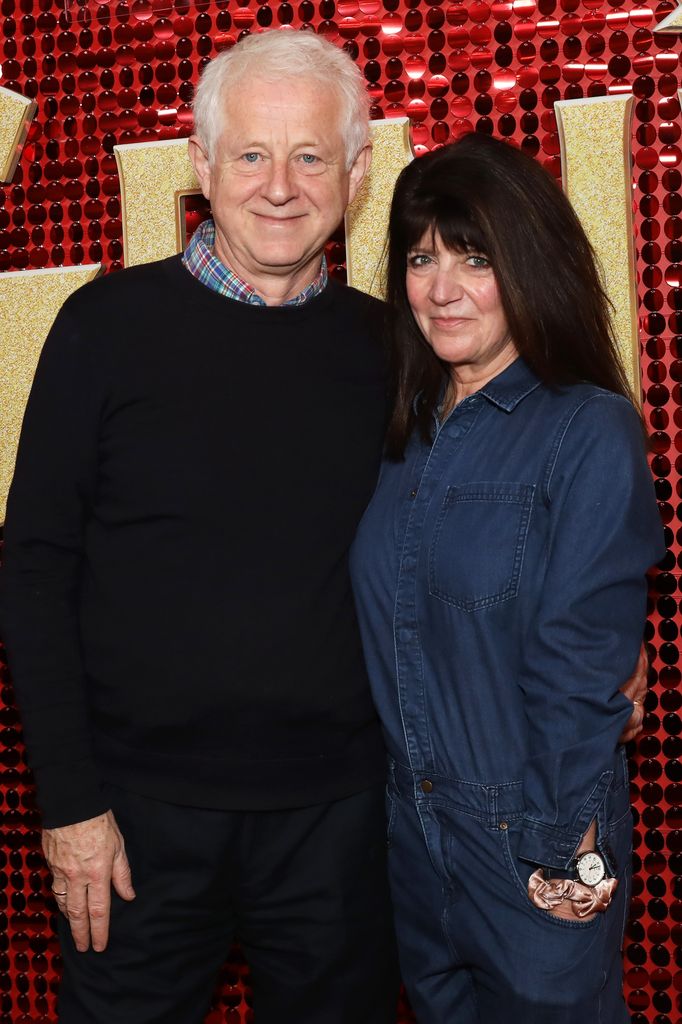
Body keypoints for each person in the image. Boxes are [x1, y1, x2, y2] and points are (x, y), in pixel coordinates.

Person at [0, 30, 399, 1024]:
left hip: (340, 823)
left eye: (310, 156)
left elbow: (475, 532)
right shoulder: (105, 328)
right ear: (201, 165)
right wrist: (72, 807)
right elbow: (34, 568)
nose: (279, 185)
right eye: (251, 154)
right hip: (132, 825)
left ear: (355, 173)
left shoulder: (390, 351)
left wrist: (594, 634)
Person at [350, 132, 664, 1023]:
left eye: (474, 258)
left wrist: (562, 852)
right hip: (413, 847)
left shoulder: (589, 431)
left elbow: (577, 666)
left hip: (532, 849)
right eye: (421, 258)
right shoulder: (400, 435)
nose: (441, 289)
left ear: (526, 265)